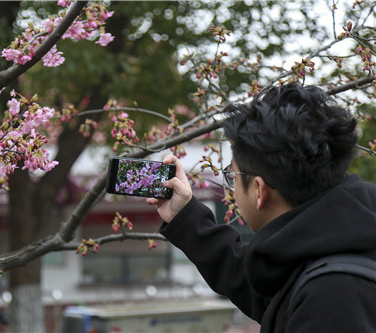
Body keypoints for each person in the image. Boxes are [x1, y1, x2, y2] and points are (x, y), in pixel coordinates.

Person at [146, 83, 376, 332]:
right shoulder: (340, 240)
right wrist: (186, 217)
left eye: (232, 176)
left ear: (259, 190)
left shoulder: (332, 296)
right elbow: (263, 289)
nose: (231, 187)